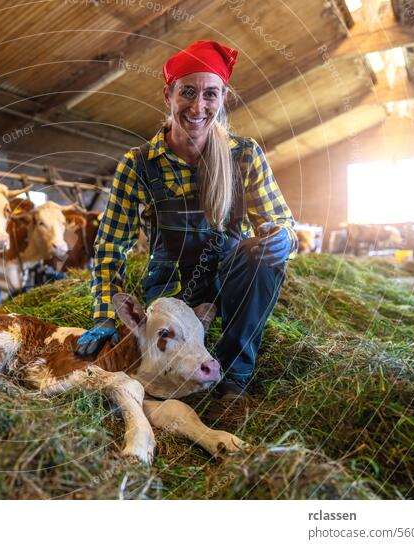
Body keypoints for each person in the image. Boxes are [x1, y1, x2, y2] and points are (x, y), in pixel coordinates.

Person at [74, 40, 297, 400]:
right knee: (161, 365)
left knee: (259, 254)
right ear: (168, 95)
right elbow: (110, 247)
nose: (198, 106)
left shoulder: (244, 156)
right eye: (187, 92)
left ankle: (233, 378)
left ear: (223, 97)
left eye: (210, 94)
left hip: (229, 290)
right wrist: (103, 314)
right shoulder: (140, 164)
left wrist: (284, 237)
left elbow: (281, 221)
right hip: (171, 291)